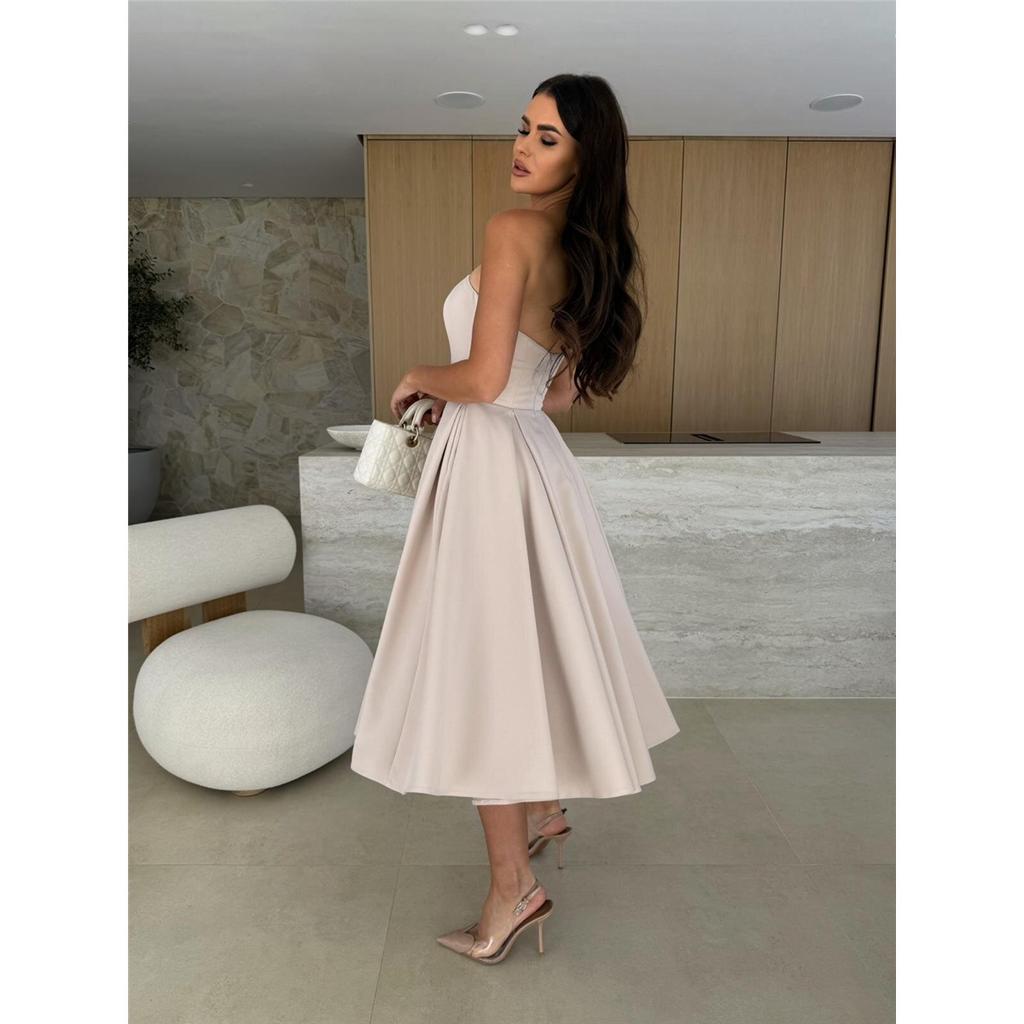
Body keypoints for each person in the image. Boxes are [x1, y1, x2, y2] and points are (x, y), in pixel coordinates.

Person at [349, 73, 680, 965]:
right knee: (524, 651)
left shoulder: (511, 232)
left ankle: (513, 890)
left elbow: (484, 378)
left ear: (585, 155)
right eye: (523, 129)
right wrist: (478, 390)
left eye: (547, 137)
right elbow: (554, 392)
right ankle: (540, 806)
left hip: (490, 466)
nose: (523, 147)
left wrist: (421, 376)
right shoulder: (589, 253)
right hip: (535, 460)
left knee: (484, 670)